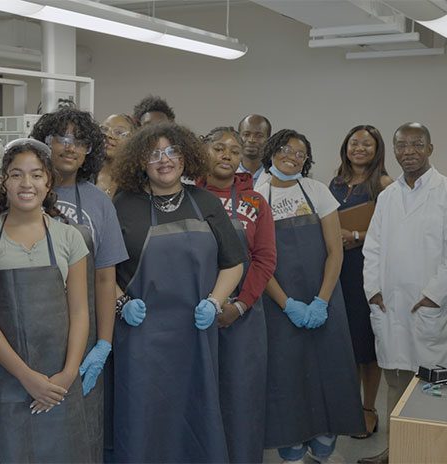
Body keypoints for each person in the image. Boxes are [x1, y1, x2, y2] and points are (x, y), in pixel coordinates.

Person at [111, 122, 245, 462]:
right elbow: (102, 271)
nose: (164, 160)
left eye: (172, 151)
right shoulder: (123, 204)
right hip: (140, 337)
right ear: (141, 162)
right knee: (143, 418)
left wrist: (215, 302)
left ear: (186, 158)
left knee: (195, 417)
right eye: (154, 154)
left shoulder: (205, 202)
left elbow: (234, 263)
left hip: (195, 335)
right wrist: (121, 302)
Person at [359, 122, 447, 464]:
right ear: (393, 150)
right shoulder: (389, 195)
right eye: (401, 145)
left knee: (429, 385)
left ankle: (426, 453)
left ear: (430, 149)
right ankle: (396, 451)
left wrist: (433, 296)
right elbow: (373, 247)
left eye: (416, 144)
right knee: (395, 381)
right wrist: (373, 290)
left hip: (427, 306)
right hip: (390, 306)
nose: (408, 151)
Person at [0, 139, 92, 463]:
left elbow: (80, 312)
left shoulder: (70, 238)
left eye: (36, 175)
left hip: (59, 385)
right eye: (16, 175)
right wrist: (26, 377)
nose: (27, 184)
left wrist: (68, 374)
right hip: (5, 382)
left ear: (48, 182)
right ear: (3, 181)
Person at [254, 129, 365, 463]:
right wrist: (287, 304)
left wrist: (321, 300)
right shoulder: (256, 197)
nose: (292, 156)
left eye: (300, 153)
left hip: (324, 300)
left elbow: (335, 252)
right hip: (278, 305)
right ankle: (290, 450)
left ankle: (324, 448)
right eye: (286, 149)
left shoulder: (317, 191)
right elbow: (259, 261)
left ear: (307, 160)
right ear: (271, 152)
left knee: (329, 371)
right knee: (286, 377)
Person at [30, 107, 129, 462]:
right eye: (62, 138)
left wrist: (104, 342)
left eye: (80, 141)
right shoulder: (27, 192)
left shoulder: (99, 203)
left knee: (79, 436)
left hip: (82, 336)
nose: (70, 148)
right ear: (45, 142)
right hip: (29, 332)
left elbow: (105, 278)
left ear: (90, 150)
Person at [196, 126, 276, 463]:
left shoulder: (255, 201)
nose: (227, 155)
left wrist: (239, 305)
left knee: (241, 401)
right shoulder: (187, 199)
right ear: (203, 153)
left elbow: (264, 259)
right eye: (219, 148)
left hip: (243, 319)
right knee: (199, 398)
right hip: (197, 317)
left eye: (234, 150)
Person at [328, 125, 393, 440]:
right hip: (339, 269)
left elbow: (393, 233)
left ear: (377, 149)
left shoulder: (384, 183)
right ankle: (351, 407)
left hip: (367, 270)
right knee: (349, 343)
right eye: (355, 143)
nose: (360, 149)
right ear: (346, 146)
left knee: (369, 343)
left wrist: (355, 235)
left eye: (367, 144)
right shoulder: (336, 182)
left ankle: (369, 408)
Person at [96, 113, 138, 198]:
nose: (108, 135)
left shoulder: (137, 182)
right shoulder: (85, 176)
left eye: (119, 132)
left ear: (133, 141)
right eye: (105, 129)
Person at [237, 114, 271, 185]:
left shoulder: (276, 176)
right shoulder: (227, 173)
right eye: (246, 134)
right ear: (238, 137)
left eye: (259, 135)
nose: (251, 140)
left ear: (268, 139)